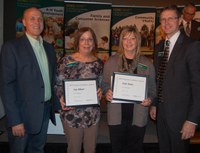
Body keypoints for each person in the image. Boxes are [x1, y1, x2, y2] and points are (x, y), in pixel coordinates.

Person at [0, 7, 58, 153]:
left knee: (37, 149)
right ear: (24, 22)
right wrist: (15, 120)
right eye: (32, 18)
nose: (36, 22)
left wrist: (60, 103)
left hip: (44, 111)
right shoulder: (11, 47)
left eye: (39, 19)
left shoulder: (49, 49)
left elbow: (50, 81)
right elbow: (7, 86)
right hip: (22, 116)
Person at [150, 5, 200, 153]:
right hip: (161, 114)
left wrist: (192, 120)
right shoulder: (159, 47)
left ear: (179, 20)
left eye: (171, 18)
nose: (166, 22)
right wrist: (154, 104)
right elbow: (158, 79)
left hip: (181, 116)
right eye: (163, 19)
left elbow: (197, 85)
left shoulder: (192, 46)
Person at [102, 26, 156, 153]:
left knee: (135, 149)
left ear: (138, 40)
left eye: (132, 38)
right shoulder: (111, 61)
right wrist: (107, 92)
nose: (129, 42)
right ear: (121, 41)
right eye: (125, 38)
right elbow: (104, 83)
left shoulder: (147, 63)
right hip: (116, 116)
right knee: (117, 149)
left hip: (138, 116)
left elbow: (153, 89)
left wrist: (150, 99)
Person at [56, 27, 103, 153]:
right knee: (74, 149)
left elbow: (101, 83)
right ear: (77, 42)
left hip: (92, 114)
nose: (86, 43)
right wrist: (61, 97)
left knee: (90, 149)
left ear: (94, 42)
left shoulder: (98, 63)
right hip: (72, 114)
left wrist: (101, 91)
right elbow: (58, 85)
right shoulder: (66, 61)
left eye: (89, 39)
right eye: (82, 39)